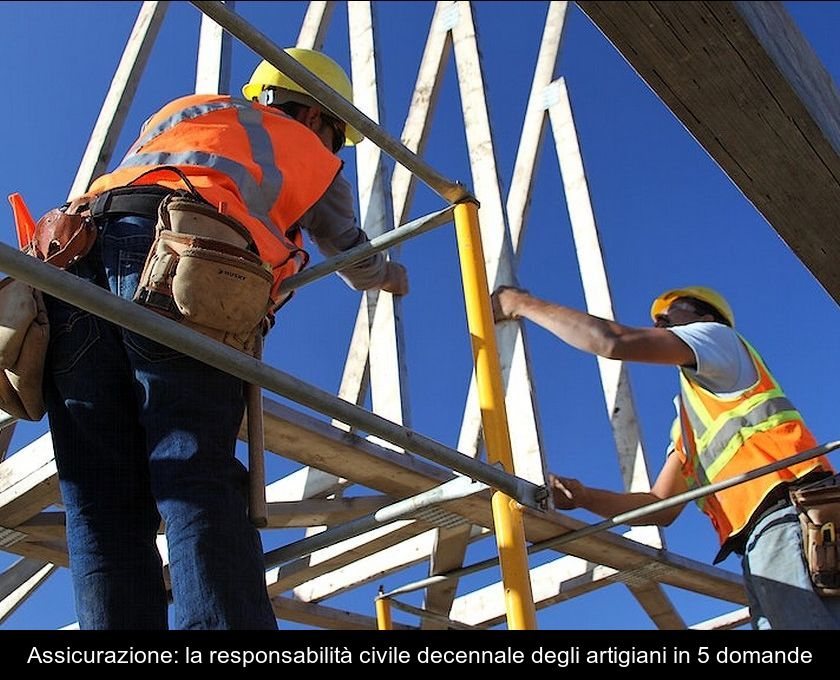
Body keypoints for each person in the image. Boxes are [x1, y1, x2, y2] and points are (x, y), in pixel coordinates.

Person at [43, 48, 407, 630]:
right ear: (318, 116)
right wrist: (391, 276)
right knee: (193, 471)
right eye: (337, 135)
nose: (333, 149)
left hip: (70, 263)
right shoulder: (306, 147)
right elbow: (349, 247)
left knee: (99, 503)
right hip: (181, 266)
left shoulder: (188, 110)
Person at [492, 284, 838, 629]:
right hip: (762, 537)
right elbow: (661, 505)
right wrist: (584, 497)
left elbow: (612, 341)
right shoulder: (691, 422)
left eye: (668, 315)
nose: (659, 325)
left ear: (705, 317)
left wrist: (521, 303)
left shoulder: (718, 339)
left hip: (791, 516)